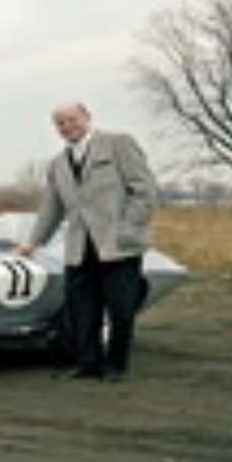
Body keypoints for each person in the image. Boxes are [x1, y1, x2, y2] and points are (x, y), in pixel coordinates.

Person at [18, 102, 157, 382]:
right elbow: (52, 207)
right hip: (79, 247)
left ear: (87, 118)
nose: (66, 126)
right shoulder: (58, 164)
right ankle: (87, 363)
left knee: (120, 308)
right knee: (81, 309)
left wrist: (129, 228)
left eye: (72, 119)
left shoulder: (119, 144)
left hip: (118, 244)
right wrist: (33, 242)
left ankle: (116, 366)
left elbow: (144, 190)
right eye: (60, 122)